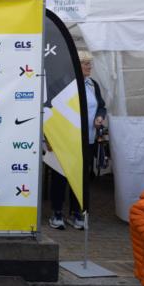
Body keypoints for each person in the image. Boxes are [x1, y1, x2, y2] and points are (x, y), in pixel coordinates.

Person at [48, 49, 107, 230]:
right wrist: (49, 137)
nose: (90, 67)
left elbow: (101, 106)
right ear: (75, 65)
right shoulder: (62, 84)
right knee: (61, 176)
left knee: (81, 177)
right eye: (85, 63)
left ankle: (76, 212)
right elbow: (50, 110)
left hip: (87, 139)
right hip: (65, 140)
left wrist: (99, 116)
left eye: (90, 63)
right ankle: (57, 212)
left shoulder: (93, 85)